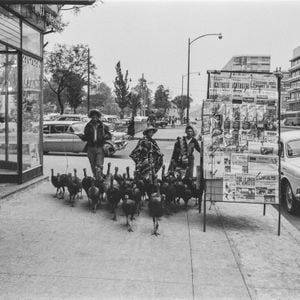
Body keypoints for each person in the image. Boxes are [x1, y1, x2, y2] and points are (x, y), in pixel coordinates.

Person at [78, 109, 111, 176]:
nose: (94, 119)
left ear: (98, 117)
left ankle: (100, 178)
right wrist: (81, 136)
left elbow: (109, 136)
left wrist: (106, 136)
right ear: (91, 117)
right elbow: (85, 138)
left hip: (100, 148)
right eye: (93, 117)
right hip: (90, 148)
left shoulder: (103, 126)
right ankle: (96, 179)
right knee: (93, 166)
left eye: (96, 117)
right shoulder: (88, 126)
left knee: (99, 165)